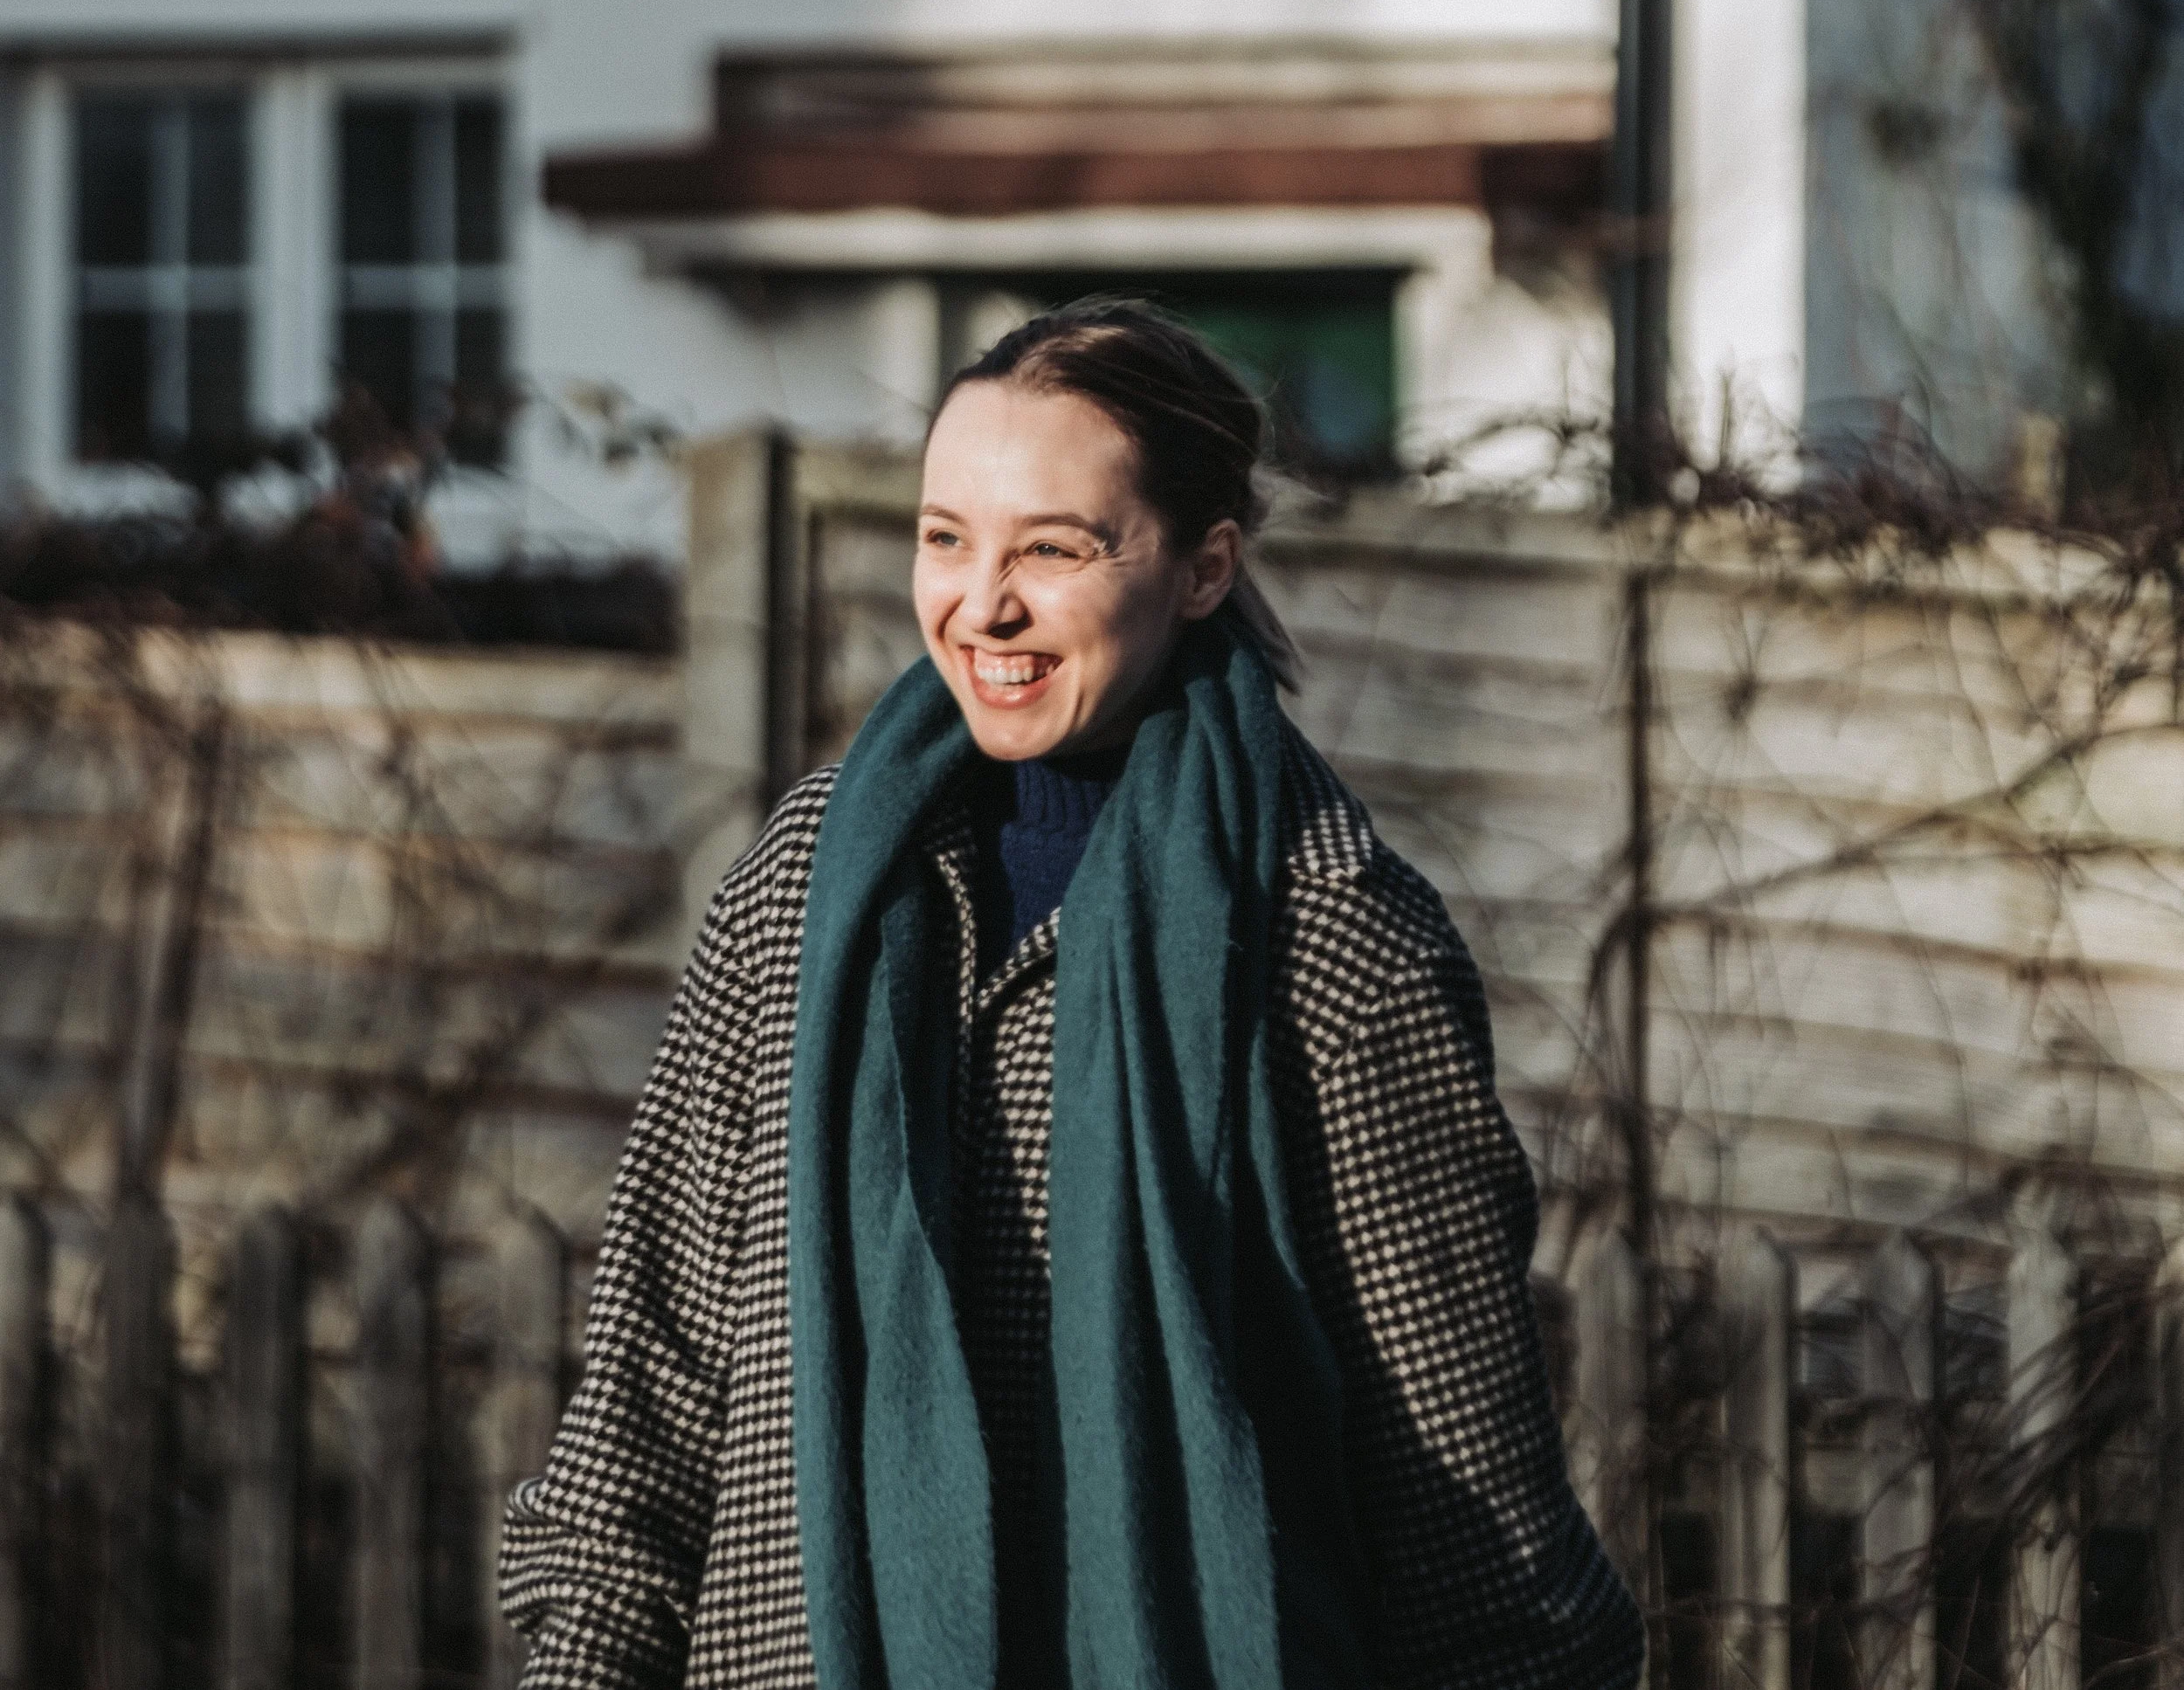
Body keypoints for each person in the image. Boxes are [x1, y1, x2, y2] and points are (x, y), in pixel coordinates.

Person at [501, 300, 1644, 1690]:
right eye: (946, 539)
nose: (982, 604)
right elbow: (643, 1415)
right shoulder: (802, 895)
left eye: (1054, 548)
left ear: (1207, 565)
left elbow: (1473, 1543)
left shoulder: (1333, 944)